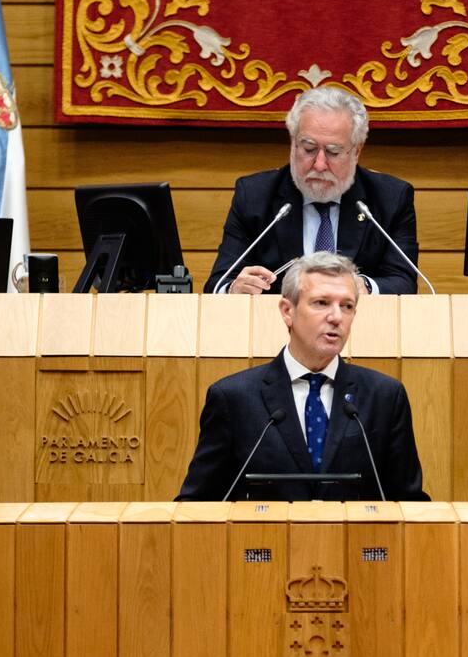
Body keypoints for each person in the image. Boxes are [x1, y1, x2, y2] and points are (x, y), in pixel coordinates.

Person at [179, 252, 428, 502]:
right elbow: (196, 504)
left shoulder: (384, 396)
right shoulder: (234, 398)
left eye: (347, 306)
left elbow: (409, 504)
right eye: (321, 303)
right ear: (287, 311)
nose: (336, 317)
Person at [203, 86, 419, 295]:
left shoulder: (391, 198)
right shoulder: (254, 195)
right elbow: (218, 283)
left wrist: (366, 287)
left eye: (333, 152)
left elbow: (404, 282)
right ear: (293, 144)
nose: (319, 164)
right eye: (309, 148)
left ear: (356, 151)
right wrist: (233, 288)